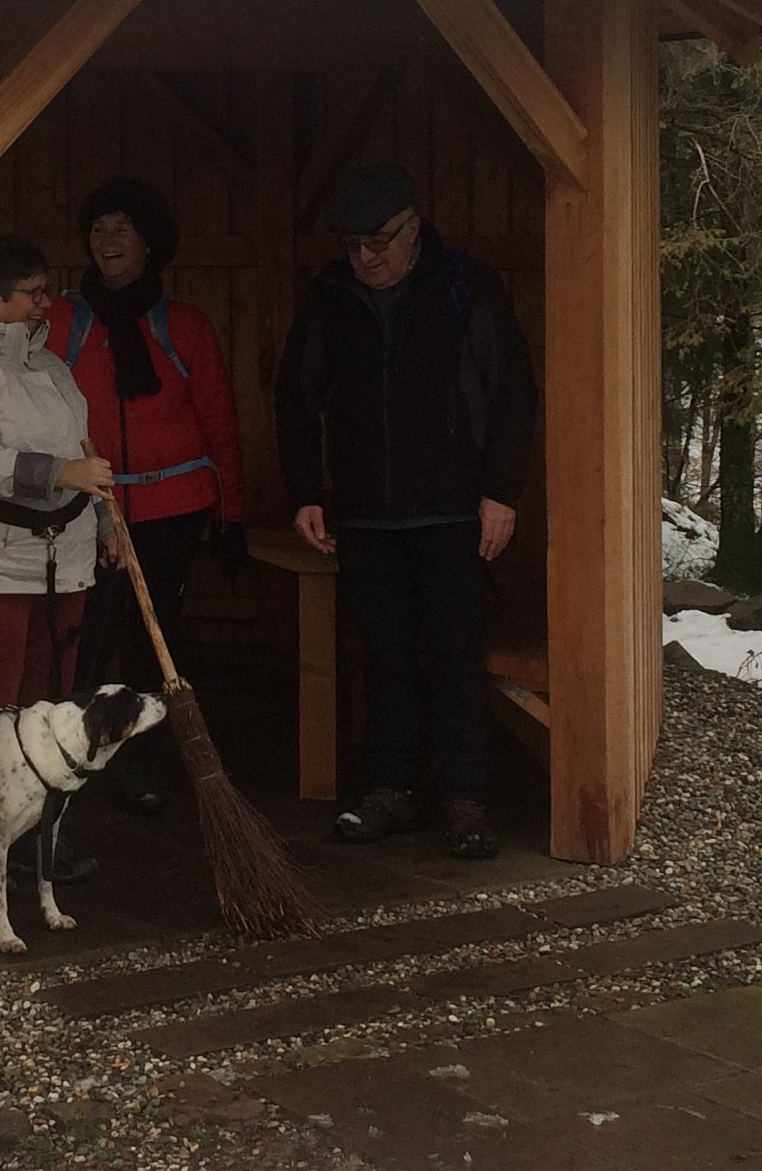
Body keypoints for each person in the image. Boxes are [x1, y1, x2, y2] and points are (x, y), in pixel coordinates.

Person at [275, 162, 537, 861]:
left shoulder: (465, 285)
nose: (366, 257)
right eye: (353, 244)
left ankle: (465, 799)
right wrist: (305, 490)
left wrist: (502, 493)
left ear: (413, 227)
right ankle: (392, 789)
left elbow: (513, 392)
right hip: (364, 514)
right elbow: (295, 397)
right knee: (382, 658)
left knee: (455, 656)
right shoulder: (330, 296)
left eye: (379, 242)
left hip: (455, 512)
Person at [49, 178, 247, 810]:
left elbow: (219, 419)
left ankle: (138, 764)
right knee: (84, 638)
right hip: (86, 510)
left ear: (150, 243)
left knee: (153, 640)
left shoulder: (183, 326)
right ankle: (68, 759)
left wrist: (232, 512)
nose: (107, 242)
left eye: (123, 229)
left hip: (173, 510)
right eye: (99, 228)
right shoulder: (58, 321)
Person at [0, 234, 112, 723]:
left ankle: (43, 800)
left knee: (50, 701)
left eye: (46, 289)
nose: (46, 302)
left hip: (67, 555)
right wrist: (60, 473)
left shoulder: (52, 366)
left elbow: (81, 449)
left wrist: (104, 522)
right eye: (33, 291)